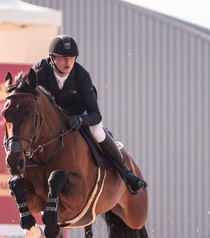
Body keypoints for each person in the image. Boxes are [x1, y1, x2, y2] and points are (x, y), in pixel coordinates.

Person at [33, 35, 147, 195]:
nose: (68, 63)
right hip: (53, 117)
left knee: (97, 132)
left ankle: (126, 173)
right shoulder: (39, 71)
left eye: (71, 58)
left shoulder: (81, 76)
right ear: (52, 58)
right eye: (63, 58)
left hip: (80, 113)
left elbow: (96, 115)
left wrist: (80, 119)